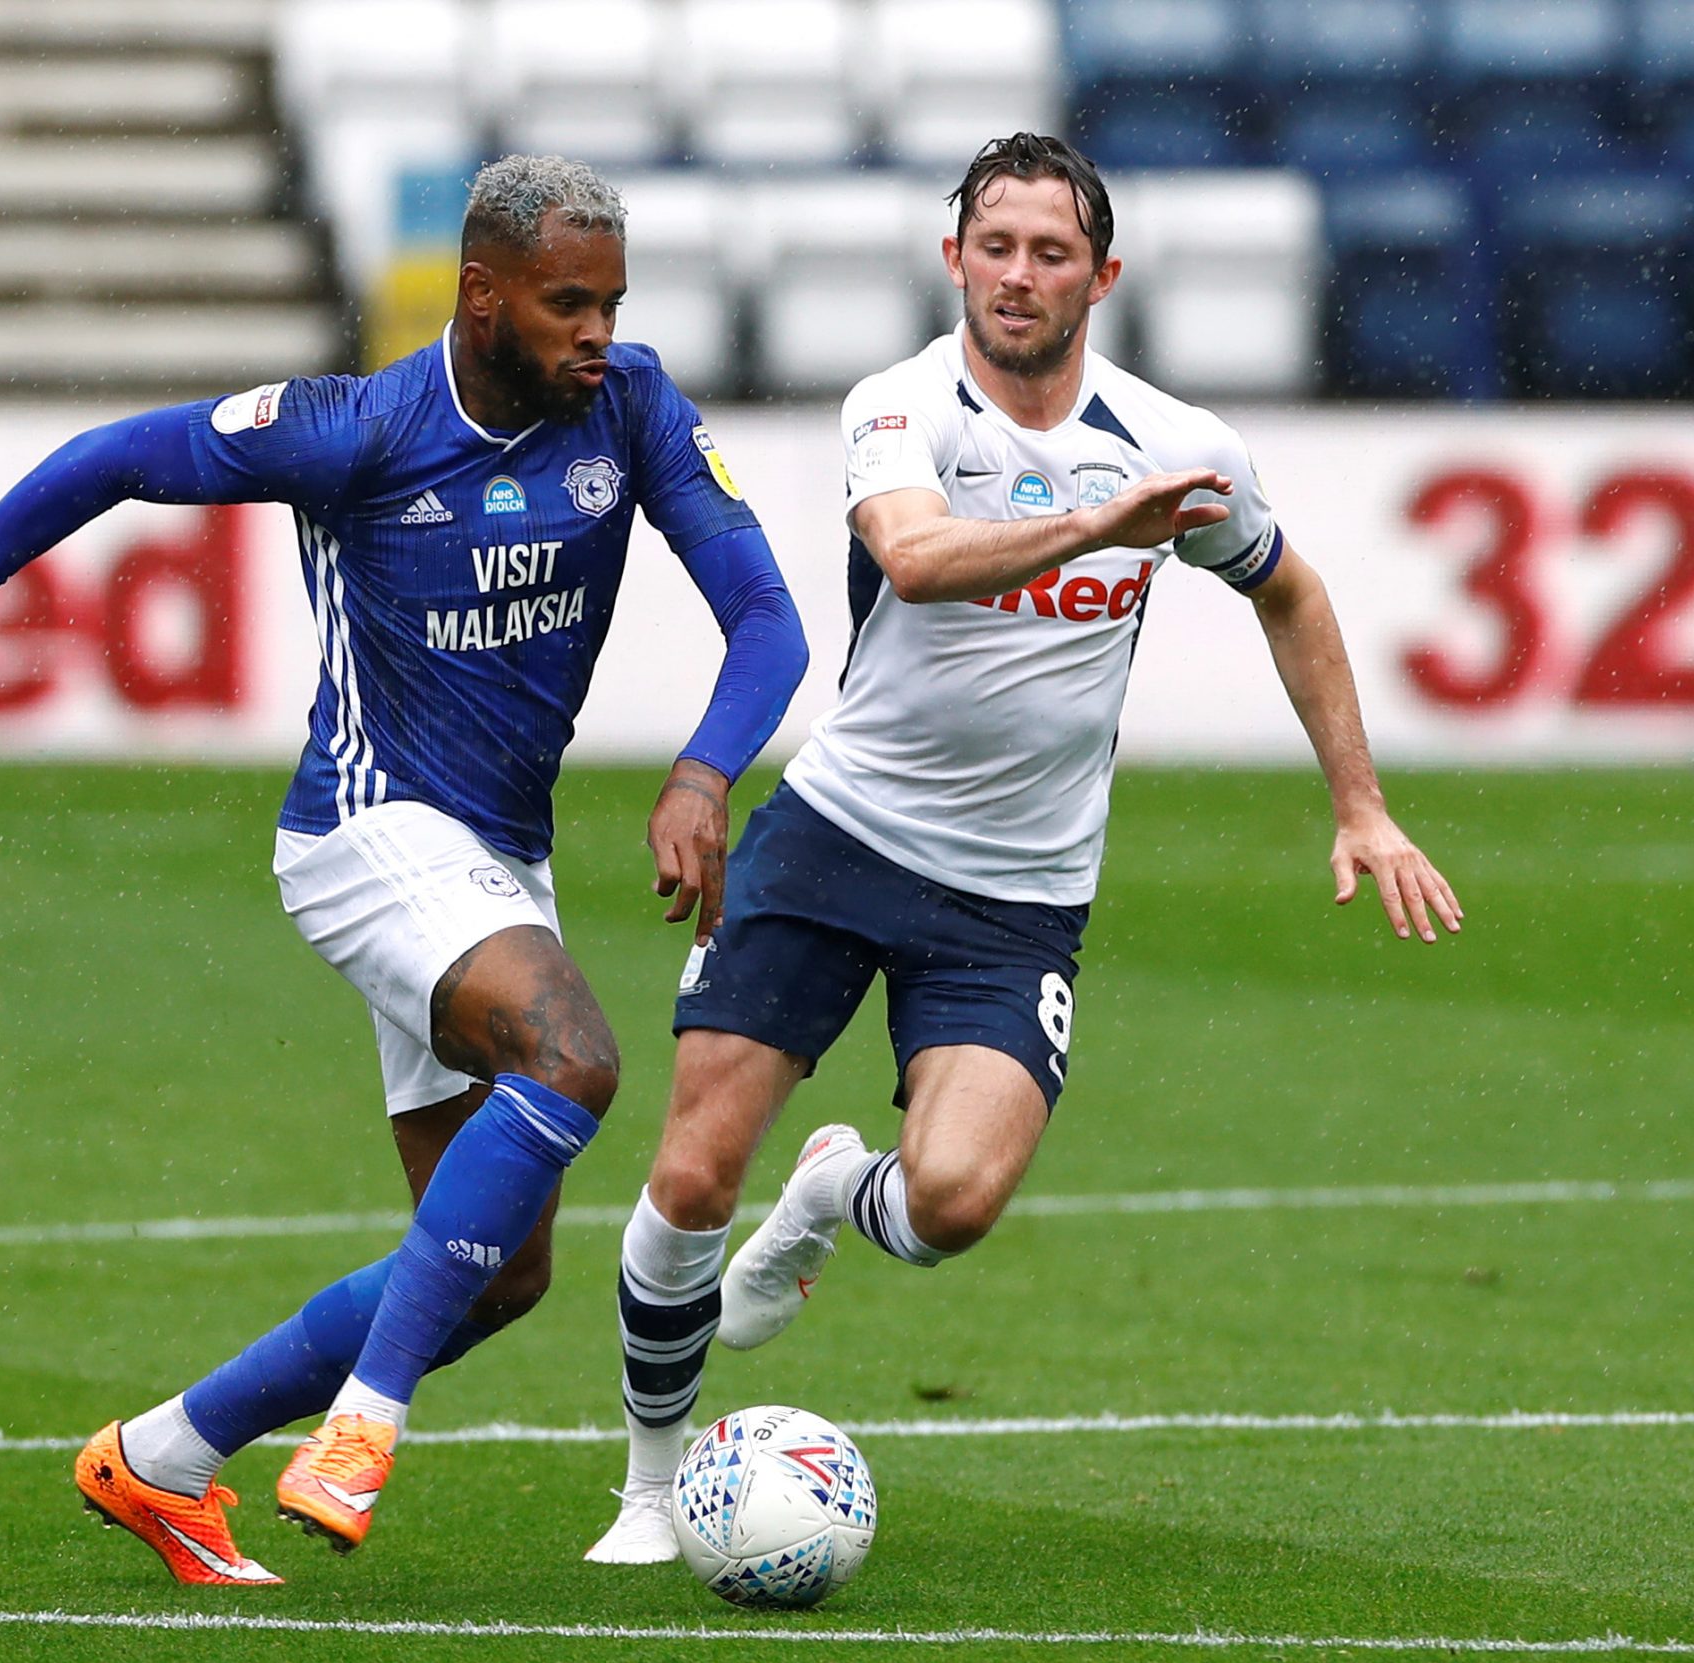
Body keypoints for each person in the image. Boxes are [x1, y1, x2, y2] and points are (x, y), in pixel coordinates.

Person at [0, 155, 807, 1583]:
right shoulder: (356, 429)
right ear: (481, 295)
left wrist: (706, 768)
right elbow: (116, 460)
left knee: (493, 1274)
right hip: (365, 832)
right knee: (575, 1058)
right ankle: (363, 1420)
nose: (597, 332)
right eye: (566, 303)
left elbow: (765, 619)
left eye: (611, 303)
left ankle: (158, 1456)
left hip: (493, 864)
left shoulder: (633, 405)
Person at [586, 133, 1462, 1564]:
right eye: (994, 245)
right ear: (955, 260)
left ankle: (829, 1194)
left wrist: (1359, 802)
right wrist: (1093, 521)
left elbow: (1291, 592)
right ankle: (646, 1481)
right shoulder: (900, 407)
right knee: (688, 1177)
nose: (1018, 274)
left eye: (1051, 252)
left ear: (1101, 275)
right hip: (839, 834)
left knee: (952, 1203)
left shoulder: (1183, 446)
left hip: (1019, 891)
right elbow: (918, 560)